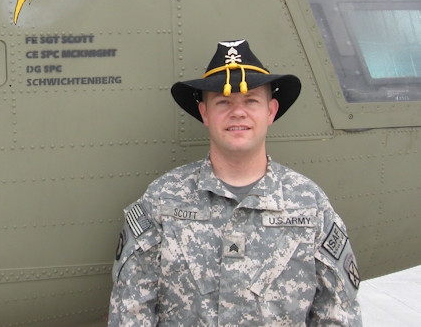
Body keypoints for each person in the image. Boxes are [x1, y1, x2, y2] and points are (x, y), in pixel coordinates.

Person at [108, 39, 362, 326]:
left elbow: (338, 314)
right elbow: (130, 313)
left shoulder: (310, 205)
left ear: (271, 110)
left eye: (251, 100)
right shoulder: (162, 200)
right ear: (204, 113)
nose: (237, 112)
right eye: (223, 102)